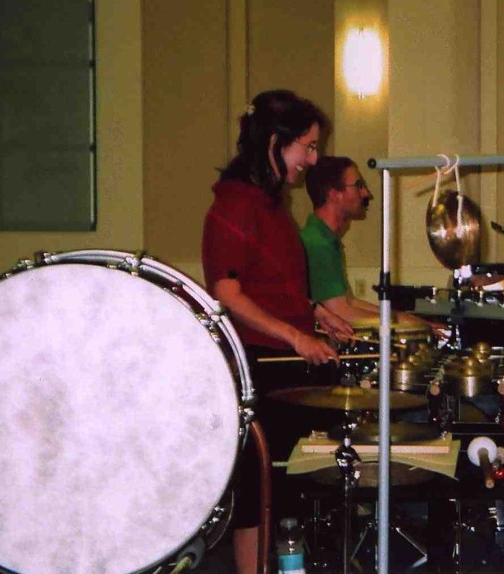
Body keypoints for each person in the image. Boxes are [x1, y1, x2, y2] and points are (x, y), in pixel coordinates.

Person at [202, 90, 352, 574]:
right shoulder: (235, 205)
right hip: (259, 364)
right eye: (306, 147)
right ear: (273, 142)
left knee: (285, 491)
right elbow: (228, 292)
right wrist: (296, 337)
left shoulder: (269, 203)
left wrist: (313, 313)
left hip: (284, 359)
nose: (312, 160)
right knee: (258, 492)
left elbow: (271, 283)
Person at [300, 155, 438, 329]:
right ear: (334, 194)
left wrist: (404, 318)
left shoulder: (326, 238)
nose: (366, 193)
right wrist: (409, 325)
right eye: (358, 186)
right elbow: (341, 313)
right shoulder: (317, 243)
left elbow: (349, 302)